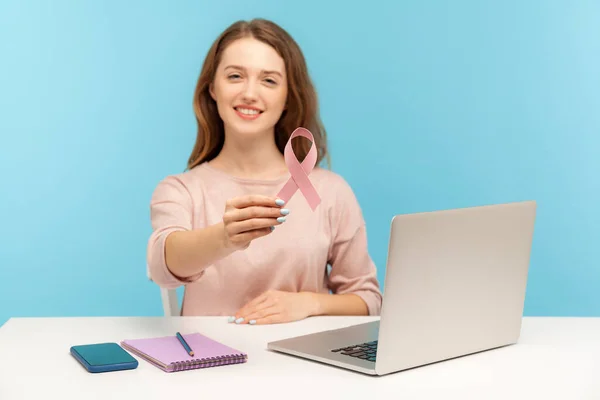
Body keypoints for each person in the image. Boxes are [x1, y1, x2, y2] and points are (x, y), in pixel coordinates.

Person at [147, 18, 382, 325]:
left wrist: (308, 303)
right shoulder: (180, 190)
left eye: (269, 81)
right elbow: (163, 264)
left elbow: (367, 299)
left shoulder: (330, 192)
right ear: (212, 89)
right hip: (208, 367)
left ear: (287, 98)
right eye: (235, 76)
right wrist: (224, 238)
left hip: (306, 366)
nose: (249, 93)